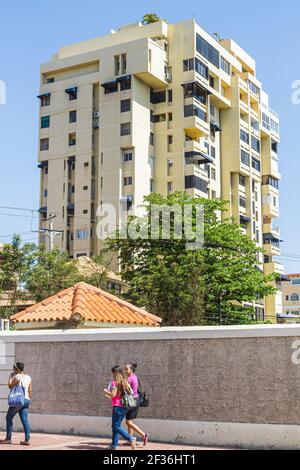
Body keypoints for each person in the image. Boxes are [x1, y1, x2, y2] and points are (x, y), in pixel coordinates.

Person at [104, 366, 137, 450]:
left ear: (115, 373)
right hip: (124, 406)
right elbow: (131, 392)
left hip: (118, 406)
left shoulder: (115, 383)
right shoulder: (125, 381)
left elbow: (113, 395)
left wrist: (106, 392)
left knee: (115, 426)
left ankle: (130, 438)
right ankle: (114, 445)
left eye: (113, 373)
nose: (112, 375)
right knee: (116, 425)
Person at [0, 362, 32, 446]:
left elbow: (10, 386)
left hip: (18, 401)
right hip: (26, 400)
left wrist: (11, 377)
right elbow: (30, 391)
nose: (13, 369)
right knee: (24, 419)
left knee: (8, 418)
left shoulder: (17, 376)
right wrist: (27, 400)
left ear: (17, 369)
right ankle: (27, 440)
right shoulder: (28, 377)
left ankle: (8, 438)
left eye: (14, 368)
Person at [125, 363, 148, 446]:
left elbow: (126, 390)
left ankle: (143, 435)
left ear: (131, 370)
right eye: (125, 369)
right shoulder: (135, 377)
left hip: (132, 401)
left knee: (128, 422)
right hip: (136, 400)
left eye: (126, 369)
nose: (125, 370)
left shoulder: (129, 379)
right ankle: (130, 439)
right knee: (129, 420)